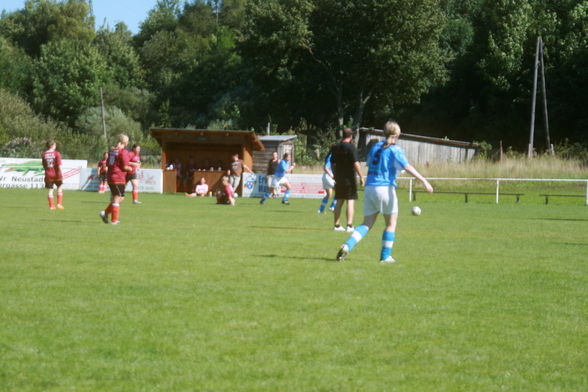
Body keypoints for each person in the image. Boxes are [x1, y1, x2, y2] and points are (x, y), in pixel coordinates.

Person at [336, 121, 433, 263]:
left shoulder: (375, 147)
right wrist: (424, 181)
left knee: (366, 223)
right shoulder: (395, 149)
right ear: (396, 135)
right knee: (390, 224)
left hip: (370, 188)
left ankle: (347, 245)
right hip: (385, 188)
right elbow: (407, 167)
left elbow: (369, 164)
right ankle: (385, 256)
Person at [330, 128, 365, 232]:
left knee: (339, 201)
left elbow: (332, 163)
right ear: (351, 136)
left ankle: (336, 225)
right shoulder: (351, 147)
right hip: (349, 179)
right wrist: (361, 176)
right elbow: (356, 163)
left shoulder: (336, 147)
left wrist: (335, 174)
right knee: (350, 201)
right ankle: (349, 226)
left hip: (339, 178)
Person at [100, 134, 132, 225]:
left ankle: (105, 213)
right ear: (125, 142)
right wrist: (130, 169)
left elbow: (108, 163)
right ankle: (114, 220)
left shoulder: (112, 151)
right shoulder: (123, 152)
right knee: (117, 198)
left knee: (120, 197)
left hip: (111, 176)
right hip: (118, 177)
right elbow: (125, 167)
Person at [41, 140, 64, 210]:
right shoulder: (57, 153)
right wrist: (61, 173)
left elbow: (44, 165)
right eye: (55, 145)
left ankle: (51, 206)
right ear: (52, 146)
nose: (55, 146)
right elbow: (59, 164)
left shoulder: (44, 154)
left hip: (48, 174)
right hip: (57, 174)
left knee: (50, 190)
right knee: (59, 188)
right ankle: (59, 204)